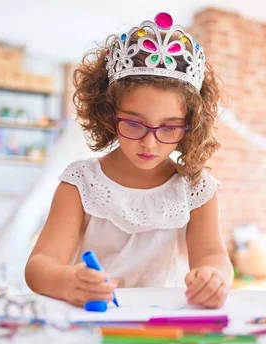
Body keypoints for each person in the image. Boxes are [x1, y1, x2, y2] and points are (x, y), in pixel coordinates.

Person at [25, 12, 233, 309]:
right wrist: (66, 281)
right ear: (109, 114)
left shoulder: (196, 188)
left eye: (169, 127)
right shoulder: (81, 182)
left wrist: (214, 277)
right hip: (95, 320)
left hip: (165, 323)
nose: (149, 142)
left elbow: (213, 254)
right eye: (134, 124)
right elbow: (39, 266)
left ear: (191, 126)